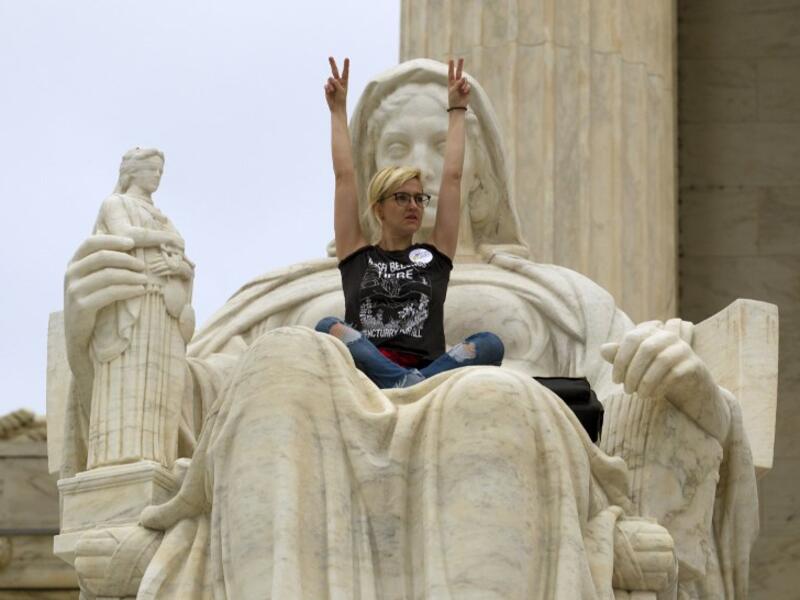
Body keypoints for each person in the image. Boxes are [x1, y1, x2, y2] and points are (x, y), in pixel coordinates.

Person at [315, 57, 503, 388]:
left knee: (490, 343)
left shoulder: (434, 256)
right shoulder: (358, 255)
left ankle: (410, 383)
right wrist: (338, 112)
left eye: (419, 198)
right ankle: (407, 383)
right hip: (371, 366)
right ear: (379, 208)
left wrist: (457, 111)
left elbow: (453, 178)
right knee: (327, 326)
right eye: (402, 198)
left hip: (427, 367)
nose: (414, 205)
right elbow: (344, 177)